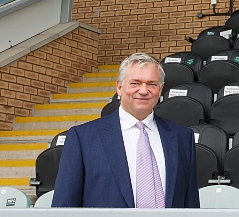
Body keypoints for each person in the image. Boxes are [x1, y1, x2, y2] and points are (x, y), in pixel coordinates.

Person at [52, 52, 200, 208]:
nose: (143, 91)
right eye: (135, 83)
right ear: (119, 87)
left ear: (160, 89)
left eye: (152, 84)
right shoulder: (83, 138)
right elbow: (64, 207)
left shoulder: (182, 137)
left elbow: (190, 205)